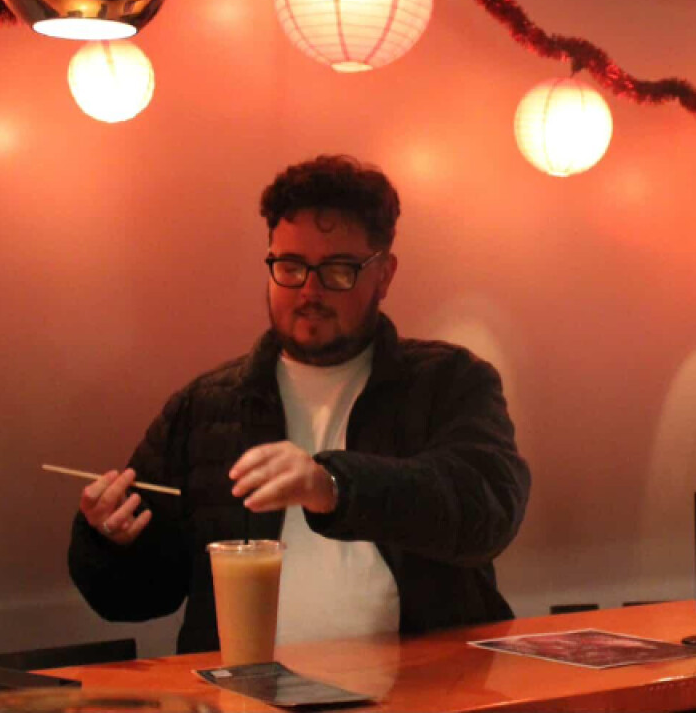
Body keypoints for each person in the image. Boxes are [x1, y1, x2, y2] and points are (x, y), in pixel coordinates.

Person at [68, 155, 531, 654]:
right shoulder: (203, 407)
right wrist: (110, 541)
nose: (309, 290)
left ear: (384, 275)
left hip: (426, 686)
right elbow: (140, 597)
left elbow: (488, 511)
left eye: (337, 270)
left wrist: (331, 484)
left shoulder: (449, 381)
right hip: (244, 689)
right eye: (290, 267)